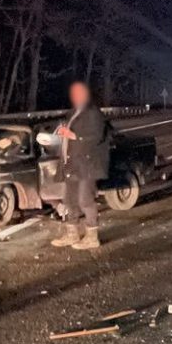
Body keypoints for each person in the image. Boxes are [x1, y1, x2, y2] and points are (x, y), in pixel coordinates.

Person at [50, 80, 108, 250]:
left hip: (88, 165)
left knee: (85, 200)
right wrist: (62, 131)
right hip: (72, 163)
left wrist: (74, 136)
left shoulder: (93, 113)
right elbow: (69, 133)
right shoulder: (73, 113)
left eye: (79, 93)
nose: (76, 96)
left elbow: (97, 137)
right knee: (69, 200)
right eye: (74, 93)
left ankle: (92, 236)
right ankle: (72, 233)